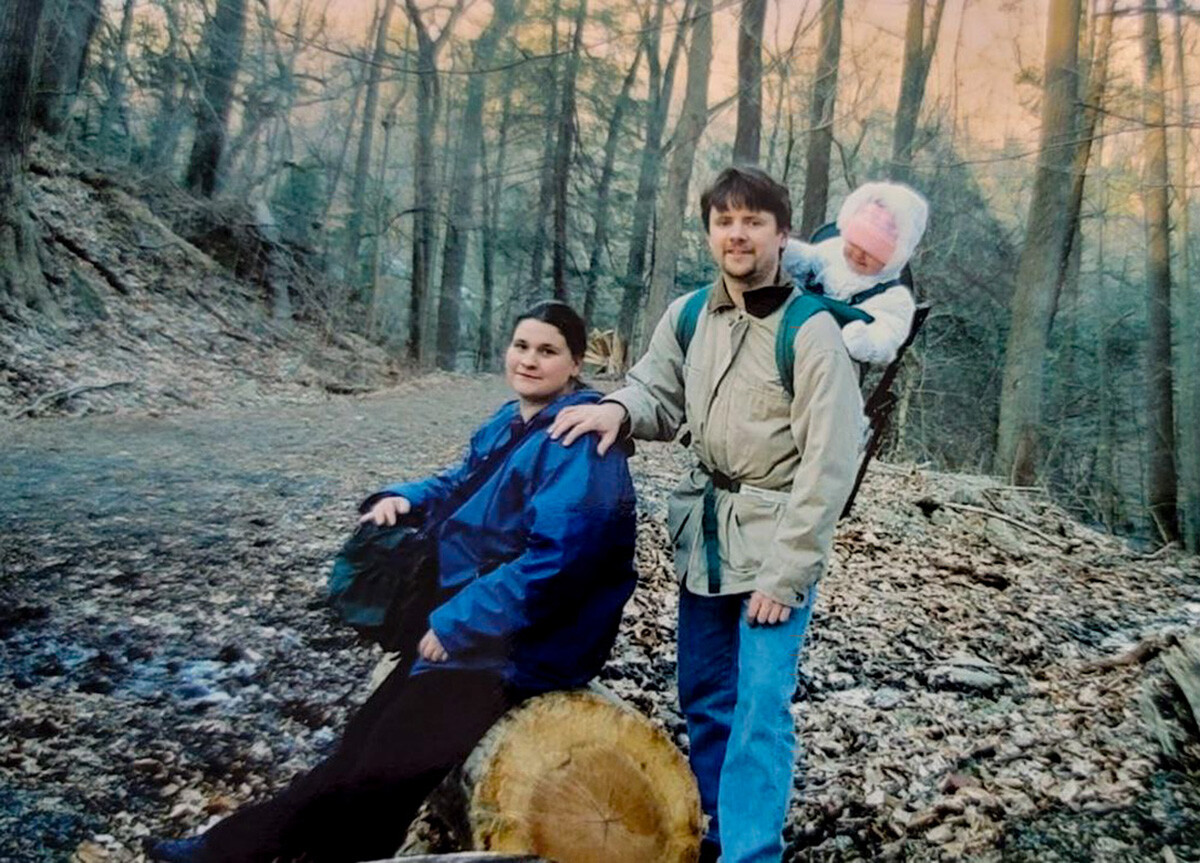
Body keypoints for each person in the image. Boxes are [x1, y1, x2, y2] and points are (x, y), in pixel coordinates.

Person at [146, 301, 638, 863]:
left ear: (575, 364)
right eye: (521, 346)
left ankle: (234, 853)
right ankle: (229, 850)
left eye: (547, 351)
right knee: (360, 751)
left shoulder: (576, 442)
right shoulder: (512, 420)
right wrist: (404, 498)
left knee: (383, 774)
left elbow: (560, 565)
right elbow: (459, 483)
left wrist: (457, 624)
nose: (529, 361)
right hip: (473, 628)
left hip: (521, 647)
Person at [550, 166, 862, 863]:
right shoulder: (690, 315)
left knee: (757, 712)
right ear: (711, 232)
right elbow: (654, 393)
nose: (738, 233)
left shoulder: (810, 332)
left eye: (753, 220)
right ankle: (722, 831)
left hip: (776, 542)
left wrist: (787, 574)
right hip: (705, 539)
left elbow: (829, 462)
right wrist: (614, 409)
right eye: (725, 221)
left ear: (782, 234)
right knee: (705, 696)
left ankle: (753, 853)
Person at [781, 180, 928, 365]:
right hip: (793, 337)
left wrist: (867, 342)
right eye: (855, 244)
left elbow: (888, 335)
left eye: (872, 252)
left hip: (836, 362)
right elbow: (807, 260)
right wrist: (785, 252)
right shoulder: (832, 253)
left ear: (894, 258)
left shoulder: (894, 299)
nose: (859, 254)